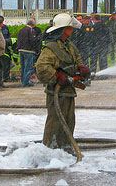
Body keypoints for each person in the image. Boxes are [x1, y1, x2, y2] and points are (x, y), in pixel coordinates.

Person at [36, 13, 90, 153]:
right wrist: (57, 76)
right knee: (55, 122)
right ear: (63, 29)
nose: (72, 29)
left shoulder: (69, 45)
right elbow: (41, 67)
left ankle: (65, 148)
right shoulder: (51, 48)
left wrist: (81, 67)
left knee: (69, 121)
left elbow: (77, 58)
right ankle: (50, 149)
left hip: (68, 90)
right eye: (69, 27)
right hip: (57, 92)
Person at [17, 17, 40, 87]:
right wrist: (35, 49)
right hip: (28, 51)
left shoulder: (21, 30)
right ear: (33, 24)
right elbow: (33, 41)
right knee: (28, 67)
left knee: (23, 67)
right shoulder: (31, 30)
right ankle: (26, 82)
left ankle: (23, 81)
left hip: (21, 50)